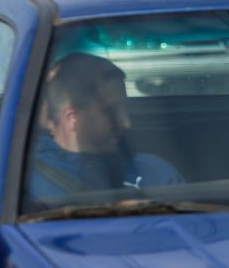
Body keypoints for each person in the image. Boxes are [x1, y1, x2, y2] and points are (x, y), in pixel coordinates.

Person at [25, 52, 183, 200]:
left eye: (124, 109)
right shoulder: (28, 184)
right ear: (72, 117)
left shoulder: (155, 170)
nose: (126, 123)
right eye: (110, 111)